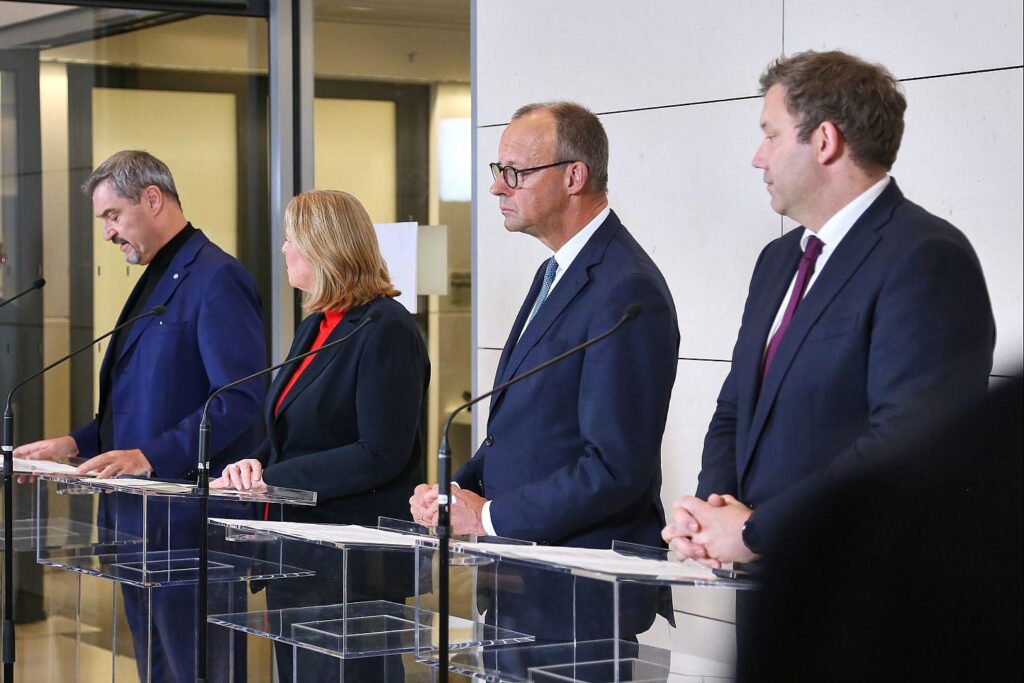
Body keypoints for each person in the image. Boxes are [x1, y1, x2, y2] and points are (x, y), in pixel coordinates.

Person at [662, 49, 995, 643]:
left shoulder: (925, 256)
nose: (758, 156)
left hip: (870, 614)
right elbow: (737, 408)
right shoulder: (777, 261)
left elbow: (908, 445)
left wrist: (757, 531)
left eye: (770, 135)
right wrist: (713, 512)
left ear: (824, 140)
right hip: (774, 600)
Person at [410, 101, 679, 642]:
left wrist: (489, 518)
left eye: (515, 172)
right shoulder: (555, 271)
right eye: (498, 171)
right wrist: (455, 492)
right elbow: (529, 430)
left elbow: (614, 466)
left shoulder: (626, 289)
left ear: (574, 177)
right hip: (521, 582)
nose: (497, 188)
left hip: (578, 594)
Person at [16, 150, 266, 681]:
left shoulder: (216, 277)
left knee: (196, 669)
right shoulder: (158, 275)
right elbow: (141, 405)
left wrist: (150, 456)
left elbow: (239, 399)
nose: (107, 233)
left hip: (187, 526)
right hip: (137, 521)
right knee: (156, 668)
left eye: (113, 216)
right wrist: (73, 444)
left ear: (152, 199)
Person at [212, 189, 429, 682]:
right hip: (295, 552)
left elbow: (381, 452)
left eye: (291, 240)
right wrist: (254, 463)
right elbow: (289, 430)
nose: (284, 250)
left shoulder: (386, 329)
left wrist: (274, 478)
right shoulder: (316, 325)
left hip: (350, 563)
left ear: (324, 247)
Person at [738, 374, 1022, 682]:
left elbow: (897, 439)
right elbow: (730, 410)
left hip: (844, 582)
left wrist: (752, 529)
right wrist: (712, 511)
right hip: (776, 577)